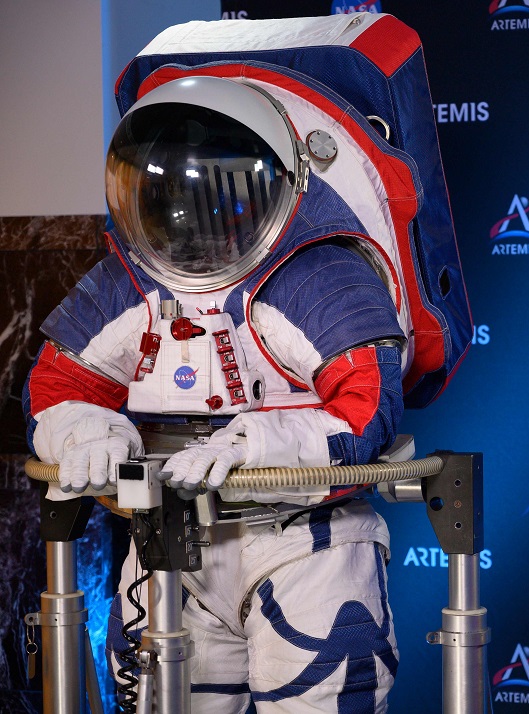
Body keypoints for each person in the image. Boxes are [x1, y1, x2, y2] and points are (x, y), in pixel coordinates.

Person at [23, 73, 406, 712]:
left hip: (306, 541)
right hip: (169, 541)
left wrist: (256, 443)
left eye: (211, 187)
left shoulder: (318, 277)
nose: (187, 214)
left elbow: (366, 410)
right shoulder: (127, 286)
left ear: (274, 184)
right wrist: (85, 429)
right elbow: (57, 385)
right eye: (167, 189)